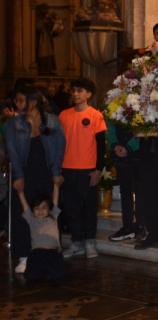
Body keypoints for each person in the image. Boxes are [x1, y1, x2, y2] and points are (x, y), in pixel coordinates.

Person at [6, 87, 65, 274]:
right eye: (16, 100)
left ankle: (49, 251)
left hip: (46, 171)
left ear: (33, 101)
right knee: (23, 214)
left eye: (21, 100)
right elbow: (12, 151)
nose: (17, 104)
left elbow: (59, 147)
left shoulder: (53, 121)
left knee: (48, 212)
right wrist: (19, 176)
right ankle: (24, 255)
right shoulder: (14, 123)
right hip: (25, 172)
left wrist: (56, 172)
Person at [58, 78, 106, 260]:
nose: (75, 94)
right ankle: (76, 242)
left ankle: (90, 242)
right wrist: (58, 170)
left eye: (80, 91)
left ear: (89, 94)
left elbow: (101, 146)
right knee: (71, 208)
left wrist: (98, 170)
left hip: (88, 170)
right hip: (67, 168)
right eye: (74, 91)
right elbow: (59, 144)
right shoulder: (64, 115)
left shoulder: (96, 115)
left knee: (88, 208)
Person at [17, 186, 66, 282]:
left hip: (52, 253)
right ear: (33, 210)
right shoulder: (32, 219)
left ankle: (47, 270)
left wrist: (56, 186)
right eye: (37, 208)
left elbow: (55, 199)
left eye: (44, 207)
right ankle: (40, 269)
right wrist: (20, 192)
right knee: (31, 277)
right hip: (37, 253)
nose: (40, 210)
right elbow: (24, 204)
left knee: (60, 275)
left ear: (50, 210)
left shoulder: (53, 217)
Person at [106, 120, 142, 242]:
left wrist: (129, 147)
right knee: (125, 192)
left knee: (140, 191)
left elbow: (144, 128)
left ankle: (140, 226)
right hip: (120, 157)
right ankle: (127, 226)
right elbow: (109, 127)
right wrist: (115, 145)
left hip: (137, 156)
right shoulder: (113, 103)